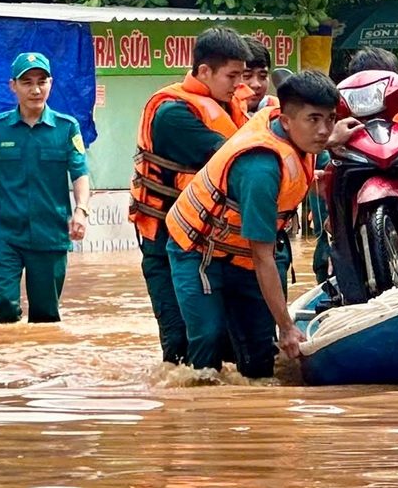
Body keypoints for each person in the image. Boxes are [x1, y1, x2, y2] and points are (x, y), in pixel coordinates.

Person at [165, 70, 361, 377]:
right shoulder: (261, 169)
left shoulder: (297, 135)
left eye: (330, 119)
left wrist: (331, 137)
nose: (324, 130)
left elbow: (314, 140)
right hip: (198, 249)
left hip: (241, 252)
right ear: (286, 122)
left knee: (260, 356)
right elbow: (263, 256)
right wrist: (287, 327)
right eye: (314, 120)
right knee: (208, 340)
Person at [129, 27, 253, 364]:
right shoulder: (174, 115)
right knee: (181, 346)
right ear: (203, 72)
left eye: (242, 75)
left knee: (228, 348)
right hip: (166, 246)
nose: (239, 85)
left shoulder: (229, 106)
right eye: (232, 76)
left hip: (213, 244)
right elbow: (232, 157)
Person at [0, 52, 90, 325]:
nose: (35, 89)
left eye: (41, 81)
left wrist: (81, 211)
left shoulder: (67, 127)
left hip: (50, 234)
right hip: (5, 234)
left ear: (51, 83)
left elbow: (80, 174)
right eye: (27, 82)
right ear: (13, 86)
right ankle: (3, 364)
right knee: (4, 307)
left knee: (45, 318)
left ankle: (38, 365)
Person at [233, 40, 276, 120]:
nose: (256, 84)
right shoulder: (214, 114)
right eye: (247, 75)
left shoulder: (278, 112)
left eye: (263, 76)